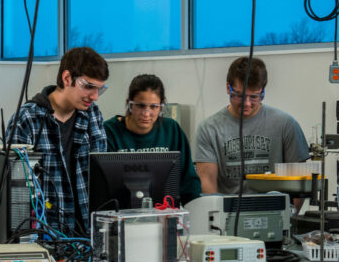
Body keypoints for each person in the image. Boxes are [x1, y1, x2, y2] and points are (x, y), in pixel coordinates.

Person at [6, 47, 109, 234]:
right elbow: (17, 196)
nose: (94, 97)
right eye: (88, 86)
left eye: (99, 89)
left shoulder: (92, 115)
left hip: (86, 237)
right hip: (44, 237)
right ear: (67, 78)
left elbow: (101, 178)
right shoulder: (27, 120)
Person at [194, 56, 310, 195]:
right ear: (227, 88)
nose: (246, 103)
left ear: (263, 91)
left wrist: (290, 215)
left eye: (254, 96)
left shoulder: (286, 125)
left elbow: (299, 181)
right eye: (238, 95)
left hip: (275, 213)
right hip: (227, 213)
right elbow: (207, 183)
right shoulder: (209, 129)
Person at [104, 74, 201, 205]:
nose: (146, 113)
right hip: (122, 212)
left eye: (154, 107)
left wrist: (193, 212)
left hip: (165, 211)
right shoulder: (110, 131)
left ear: (161, 107)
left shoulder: (171, 129)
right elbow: (104, 185)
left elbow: (189, 181)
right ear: (129, 104)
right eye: (140, 106)